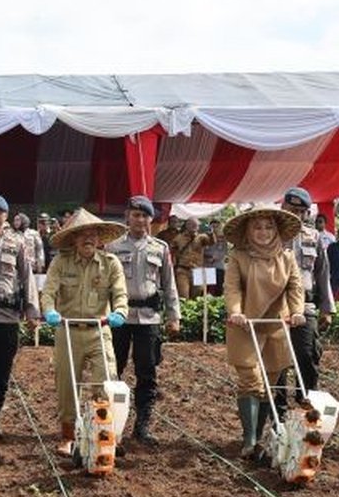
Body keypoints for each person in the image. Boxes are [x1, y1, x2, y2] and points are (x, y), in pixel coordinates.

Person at [40, 209, 129, 456]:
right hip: (68, 330)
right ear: (73, 238)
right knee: (67, 384)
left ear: (100, 238)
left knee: (106, 380)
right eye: (82, 234)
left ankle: (104, 432)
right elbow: (48, 292)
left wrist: (120, 312)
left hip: (99, 330)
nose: (88, 238)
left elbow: (120, 293)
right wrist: (49, 311)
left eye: (93, 234)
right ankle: (68, 436)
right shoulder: (61, 262)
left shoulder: (110, 264)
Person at [221, 206, 304, 459]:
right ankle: (249, 439)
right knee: (251, 381)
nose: (264, 232)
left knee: (269, 383)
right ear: (248, 231)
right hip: (245, 325)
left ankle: (258, 439)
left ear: (276, 230)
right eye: (257, 227)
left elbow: (295, 287)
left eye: (269, 227)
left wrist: (297, 311)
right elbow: (232, 288)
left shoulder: (287, 257)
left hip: (276, 324)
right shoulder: (239, 257)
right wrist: (236, 311)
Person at [107, 195, 179, 445]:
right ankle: (110, 423)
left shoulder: (160, 248)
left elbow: (169, 283)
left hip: (149, 319)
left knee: (147, 372)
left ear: (151, 219)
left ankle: (142, 425)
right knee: (112, 370)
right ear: (127, 217)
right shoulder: (112, 247)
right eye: (135, 215)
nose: (140, 220)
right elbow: (105, 285)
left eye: (145, 216)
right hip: (119, 318)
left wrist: (174, 316)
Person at [0, 193, 40, 441]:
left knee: (1, 373)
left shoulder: (17, 242)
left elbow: (27, 277)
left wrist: (32, 311)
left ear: (6, 215)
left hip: (7, 316)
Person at [278, 187, 334, 406]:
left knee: (308, 354)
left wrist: (327, 309)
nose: (296, 215)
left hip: (306, 304)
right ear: (283, 207)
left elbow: (323, 273)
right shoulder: (270, 233)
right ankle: (279, 411)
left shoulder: (314, 236)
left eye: (301, 212)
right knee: (278, 359)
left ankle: (307, 405)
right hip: (276, 303)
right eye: (292, 210)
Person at [162, 217, 216, 299]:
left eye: (196, 225)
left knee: (198, 295)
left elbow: (212, 242)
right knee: (183, 295)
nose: (194, 226)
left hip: (198, 270)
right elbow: (171, 250)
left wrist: (211, 234)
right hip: (183, 270)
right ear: (187, 225)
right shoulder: (179, 238)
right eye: (192, 224)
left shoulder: (201, 237)